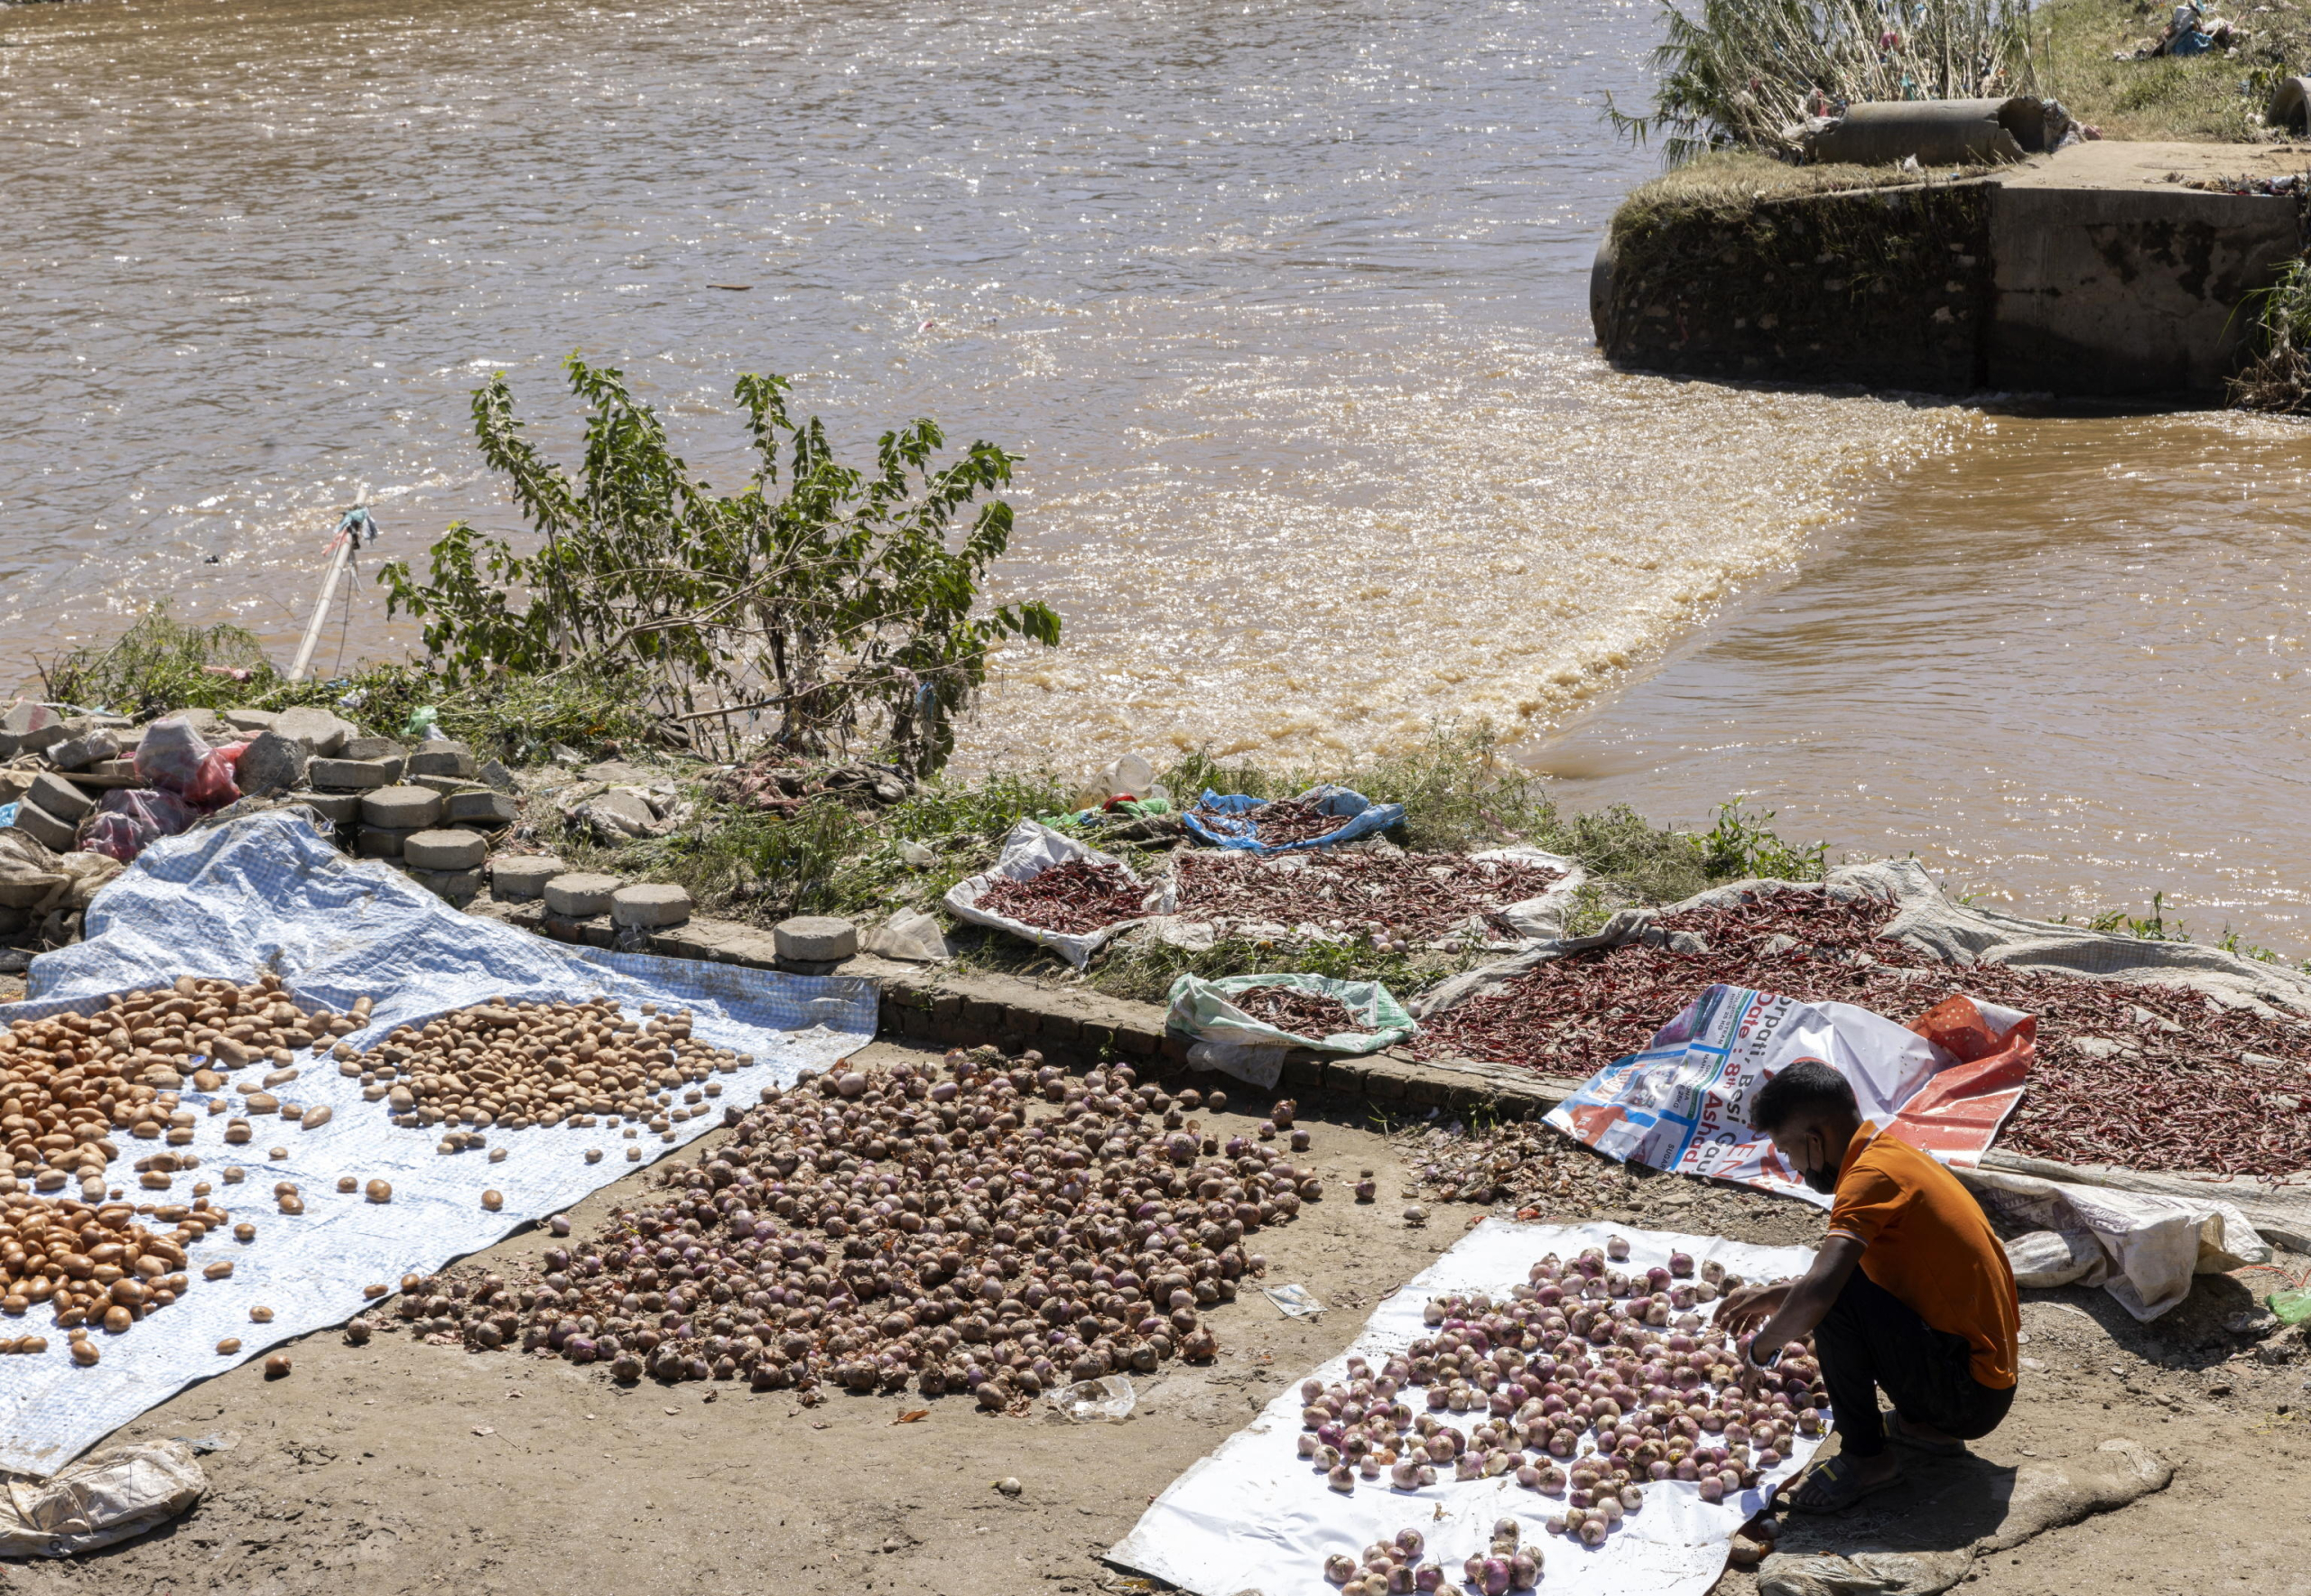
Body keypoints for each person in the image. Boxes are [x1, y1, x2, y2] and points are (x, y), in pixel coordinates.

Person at [1713, 1060, 2019, 1513]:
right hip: (1980, 1375)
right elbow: (1870, 1276)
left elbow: (1825, 1291)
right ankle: (1922, 1427)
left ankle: (1867, 1458)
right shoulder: (1889, 1154)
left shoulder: (1868, 1180)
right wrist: (1776, 1296)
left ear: (1814, 1140)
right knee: (1838, 1286)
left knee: (1832, 1299)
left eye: (1787, 1149)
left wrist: (1763, 1349)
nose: (1794, 1167)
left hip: (1969, 1396)